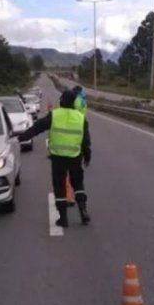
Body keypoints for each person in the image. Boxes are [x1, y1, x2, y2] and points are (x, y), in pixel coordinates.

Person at [18, 90, 91, 227]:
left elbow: (37, 127)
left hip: (58, 157)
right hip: (75, 156)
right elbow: (85, 140)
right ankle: (83, 210)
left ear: (62, 101)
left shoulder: (55, 115)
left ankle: (63, 219)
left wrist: (21, 138)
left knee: (59, 186)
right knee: (78, 184)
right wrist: (87, 155)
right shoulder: (81, 118)